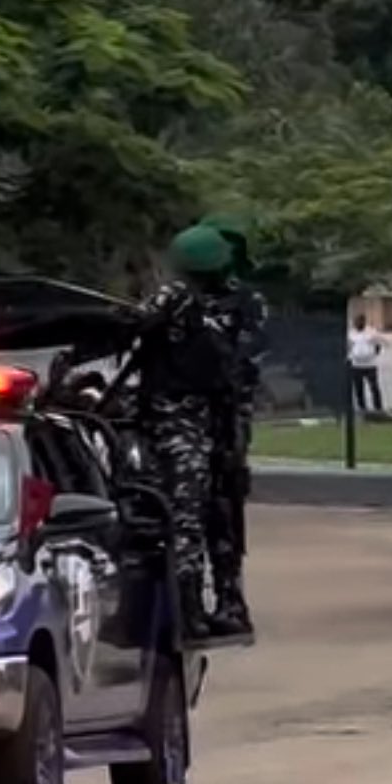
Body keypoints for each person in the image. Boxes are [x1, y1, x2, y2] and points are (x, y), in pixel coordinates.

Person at [122, 226, 238, 641]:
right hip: (179, 427)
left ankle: (190, 607)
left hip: (188, 426)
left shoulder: (198, 305)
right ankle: (185, 610)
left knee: (192, 517)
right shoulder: (183, 300)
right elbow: (133, 324)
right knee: (185, 519)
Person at [197, 217, 269, 638]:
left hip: (225, 415)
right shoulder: (180, 299)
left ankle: (229, 599)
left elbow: (246, 358)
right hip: (180, 414)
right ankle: (185, 602)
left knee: (223, 506)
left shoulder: (245, 302)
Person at [348, 315, 385, 413]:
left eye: (360, 321)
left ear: (364, 322)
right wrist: (351, 357)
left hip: (370, 365)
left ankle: (378, 408)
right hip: (356, 365)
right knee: (358, 388)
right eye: (356, 322)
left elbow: (378, 345)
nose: (357, 323)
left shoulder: (372, 332)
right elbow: (349, 346)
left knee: (374, 387)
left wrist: (372, 354)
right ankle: (362, 407)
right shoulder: (351, 333)